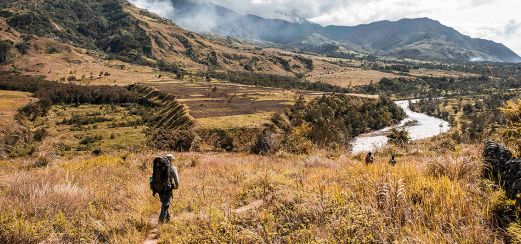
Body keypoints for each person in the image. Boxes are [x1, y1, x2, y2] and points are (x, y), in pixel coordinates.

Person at [150, 154, 179, 223]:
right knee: (166, 204)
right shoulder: (172, 167)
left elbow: (153, 177)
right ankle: (161, 220)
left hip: (158, 187)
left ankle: (168, 218)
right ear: (171, 160)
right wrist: (176, 186)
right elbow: (176, 179)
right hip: (167, 188)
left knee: (164, 203)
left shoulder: (158, 167)